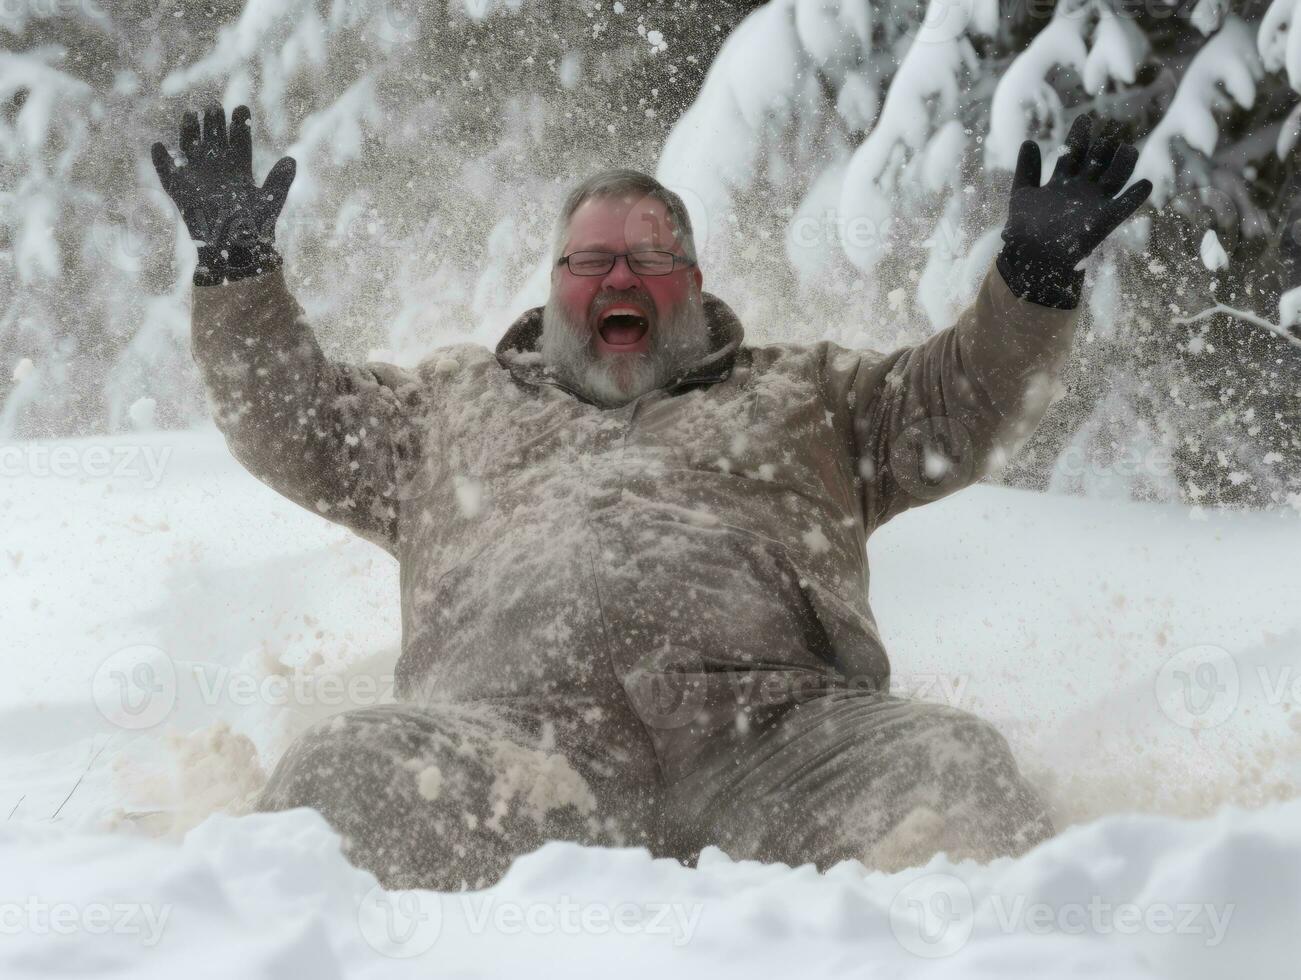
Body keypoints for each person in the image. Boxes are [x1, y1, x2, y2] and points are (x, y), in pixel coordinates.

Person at [152, 104, 1151, 889]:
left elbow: (955, 400)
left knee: (958, 770)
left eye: (646, 258)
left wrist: (1029, 279)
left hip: (784, 748)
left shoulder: (805, 392)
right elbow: (295, 423)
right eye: (590, 261)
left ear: (692, 277)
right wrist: (237, 272)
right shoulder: (449, 406)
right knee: (334, 773)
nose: (616, 277)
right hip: (512, 750)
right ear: (552, 285)